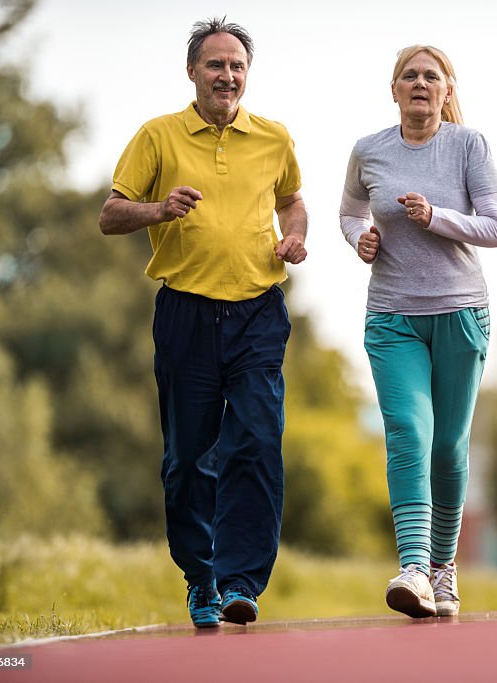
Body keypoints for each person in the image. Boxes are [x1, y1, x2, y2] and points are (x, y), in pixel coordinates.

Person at [98, 17, 306, 628]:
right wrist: (159, 209)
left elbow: (293, 199)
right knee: (189, 457)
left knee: (259, 441)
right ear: (192, 71)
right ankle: (202, 577)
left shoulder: (273, 137)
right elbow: (110, 215)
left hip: (258, 312)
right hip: (186, 312)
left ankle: (242, 582)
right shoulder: (157, 136)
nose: (228, 75)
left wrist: (293, 235)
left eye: (237, 66)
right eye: (216, 65)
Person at [339, 45, 497, 618]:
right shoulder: (369, 150)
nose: (419, 83)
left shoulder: (469, 146)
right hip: (391, 316)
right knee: (409, 431)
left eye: (430, 76)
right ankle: (412, 566)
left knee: (448, 447)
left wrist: (435, 217)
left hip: (461, 313)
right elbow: (348, 211)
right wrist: (359, 237)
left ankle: (443, 568)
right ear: (393, 90)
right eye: (408, 76)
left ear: (446, 90)